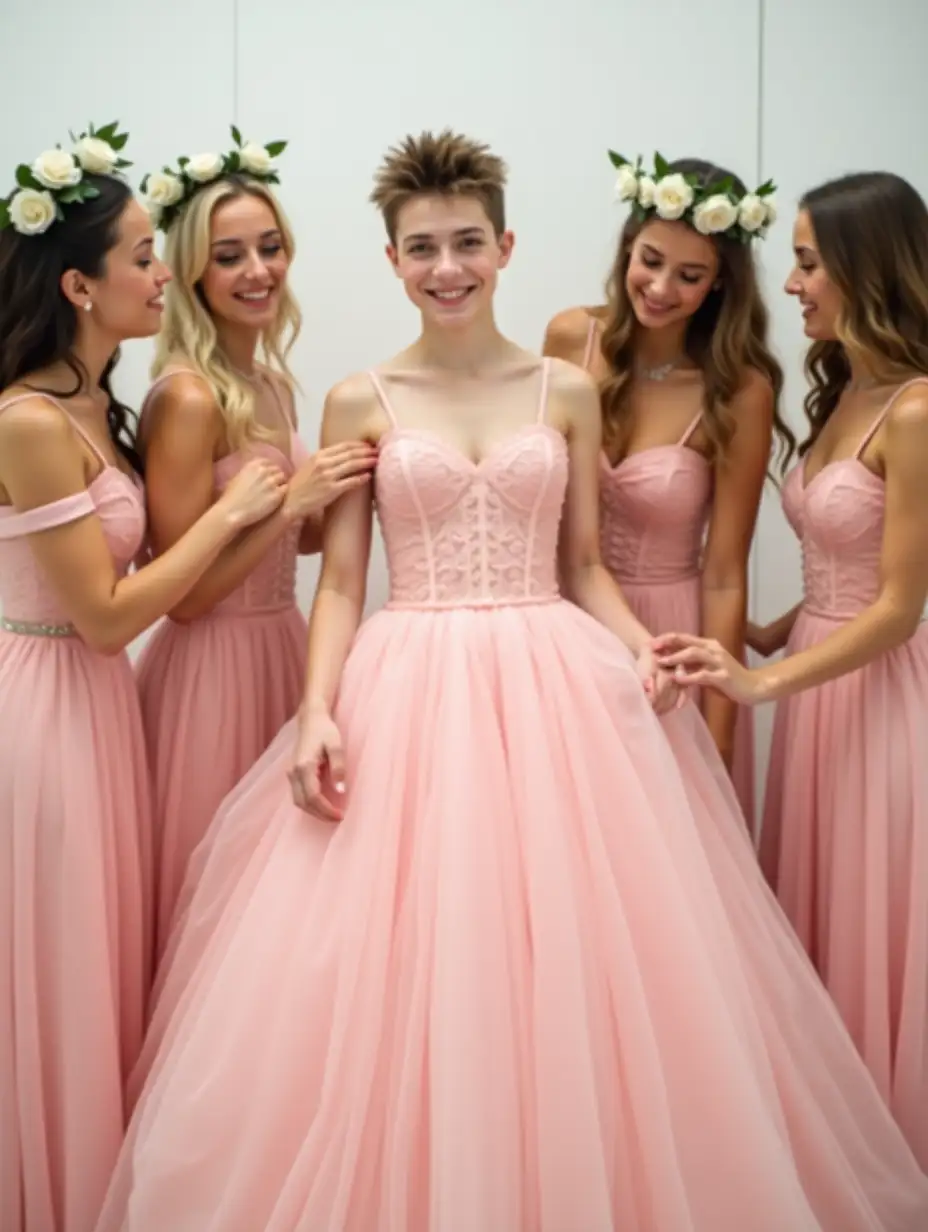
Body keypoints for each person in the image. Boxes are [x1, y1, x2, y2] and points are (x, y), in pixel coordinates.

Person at [96, 133, 928, 1231]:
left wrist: (641, 648)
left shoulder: (566, 388)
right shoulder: (358, 397)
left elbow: (582, 563)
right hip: (412, 681)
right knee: (411, 960)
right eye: (423, 247)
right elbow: (342, 583)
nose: (448, 267)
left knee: (580, 959)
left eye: (468, 243)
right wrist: (313, 713)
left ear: (506, 246)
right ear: (391, 260)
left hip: (554, 681)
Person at [0, 126, 285, 1232]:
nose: (160, 273)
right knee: (64, 965)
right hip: (49, 704)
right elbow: (110, 617)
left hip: (103, 708)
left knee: (115, 953)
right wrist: (239, 509)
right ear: (78, 283)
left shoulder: (92, 406)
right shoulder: (27, 419)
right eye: (138, 256)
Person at [657, 170, 928, 1167]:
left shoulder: (915, 407)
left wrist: (761, 683)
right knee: (808, 905)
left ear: (865, 267)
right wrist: (769, 631)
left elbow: (899, 607)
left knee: (869, 915)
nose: (794, 285)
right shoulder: (846, 388)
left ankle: (884, 1150)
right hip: (816, 674)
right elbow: (836, 564)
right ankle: (826, 1138)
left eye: (809, 263)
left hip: (879, 698)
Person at [135, 131, 377, 955]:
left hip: (281, 646)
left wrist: (354, 486)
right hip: (208, 674)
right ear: (192, 271)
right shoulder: (188, 398)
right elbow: (185, 594)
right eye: (230, 255)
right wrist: (288, 508)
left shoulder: (270, 383)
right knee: (215, 896)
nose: (258, 271)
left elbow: (291, 543)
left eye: (270, 248)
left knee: (281, 901)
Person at [543, 153, 794, 832]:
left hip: (672, 635)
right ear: (628, 247)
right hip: (564, 620)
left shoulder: (739, 390)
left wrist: (721, 728)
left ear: (719, 285)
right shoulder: (571, 337)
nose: (659, 287)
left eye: (690, 276)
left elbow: (723, 573)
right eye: (649, 261)